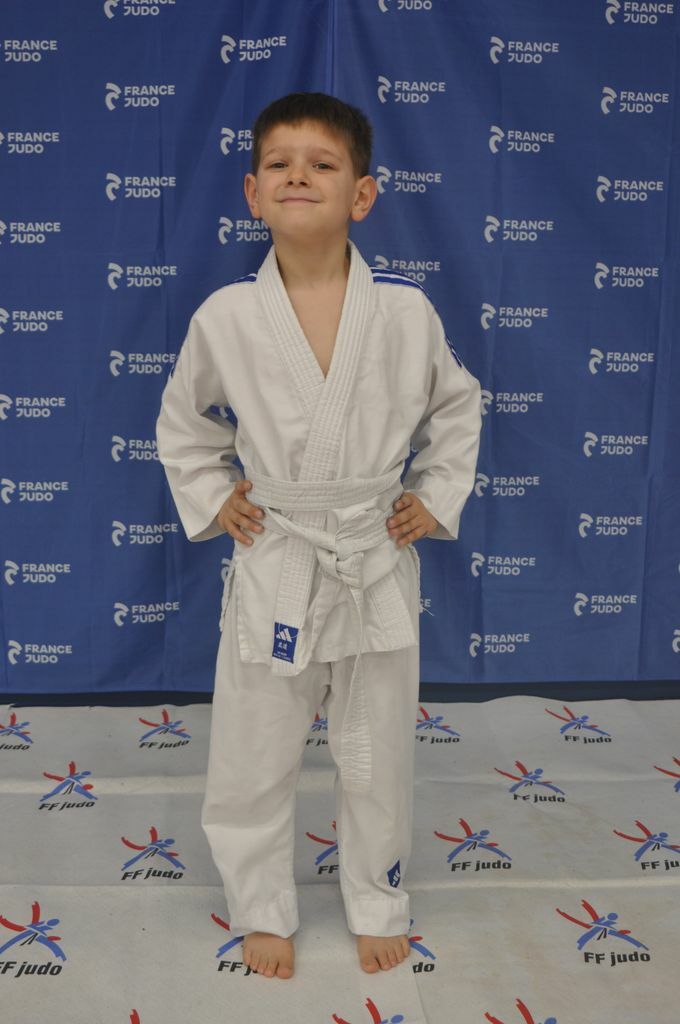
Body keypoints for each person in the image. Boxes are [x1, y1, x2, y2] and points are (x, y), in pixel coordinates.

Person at [155, 92, 482, 980]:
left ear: (363, 195)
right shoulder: (226, 315)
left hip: (373, 548)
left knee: (377, 750)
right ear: (252, 193)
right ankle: (261, 905)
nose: (298, 175)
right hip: (280, 547)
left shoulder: (406, 314)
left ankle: (378, 897)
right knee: (254, 748)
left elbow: (458, 408)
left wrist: (434, 496)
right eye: (279, 164)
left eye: (323, 164)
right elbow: (184, 424)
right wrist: (215, 496)